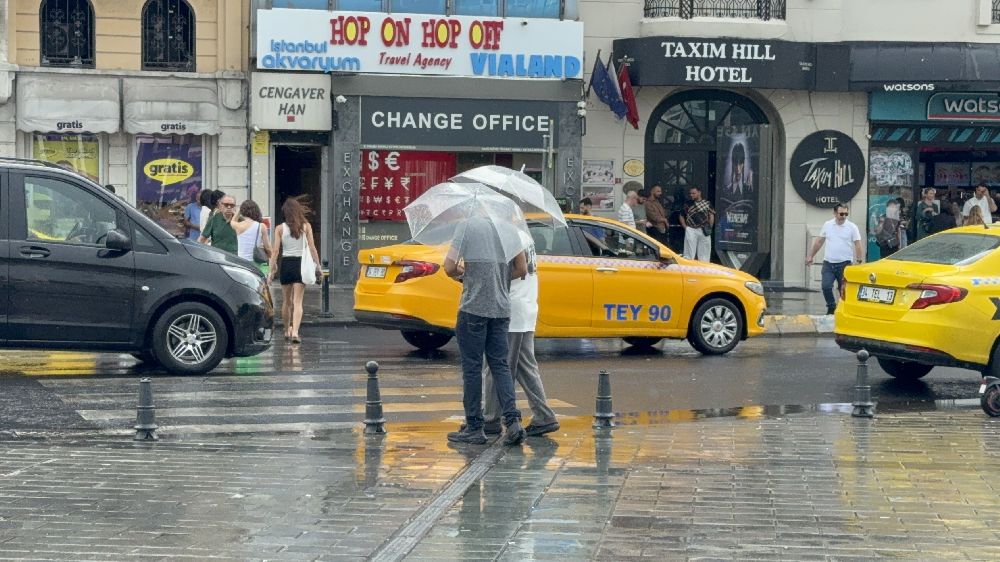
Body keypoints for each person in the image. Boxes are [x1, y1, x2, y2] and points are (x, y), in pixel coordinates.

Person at [443, 215, 528, 446]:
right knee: (499, 365)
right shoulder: (509, 229)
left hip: (473, 308)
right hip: (501, 309)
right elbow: (522, 267)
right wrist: (497, 279)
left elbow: (449, 267)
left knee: (472, 369)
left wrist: (467, 275)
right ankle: (512, 422)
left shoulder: (467, 225)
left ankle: (474, 427)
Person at [481, 230, 559, 438]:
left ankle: (490, 419)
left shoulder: (507, 236)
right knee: (525, 366)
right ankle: (544, 416)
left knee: (496, 365)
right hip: (526, 304)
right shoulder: (523, 234)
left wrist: (490, 280)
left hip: (512, 307)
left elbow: (519, 269)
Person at [267, 198, 321, 344]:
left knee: (286, 301)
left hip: (286, 264)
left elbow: (275, 251)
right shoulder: (306, 226)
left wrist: (271, 271)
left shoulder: (279, 228)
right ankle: (296, 331)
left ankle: (286, 330)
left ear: (285, 212)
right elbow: (312, 248)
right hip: (301, 265)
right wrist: (318, 266)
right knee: (298, 302)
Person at [806, 203, 863, 315]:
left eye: (846, 214)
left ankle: (844, 309)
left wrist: (859, 261)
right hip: (829, 263)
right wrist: (810, 256)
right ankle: (831, 306)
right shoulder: (828, 225)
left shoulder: (852, 227)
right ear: (835, 213)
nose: (844, 216)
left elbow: (858, 244)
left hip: (845, 263)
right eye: (841, 213)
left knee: (844, 290)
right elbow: (819, 242)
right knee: (826, 286)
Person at [230, 199, 272, 274]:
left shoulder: (239, 225)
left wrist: (239, 211)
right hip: (257, 263)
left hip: (242, 262)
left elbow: (232, 221)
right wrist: (272, 260)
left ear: (243, 211)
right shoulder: (261, 226)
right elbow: (268, 247)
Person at [679, 186, 714, 262]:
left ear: (699, 192)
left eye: (693, 193)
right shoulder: (687, 204)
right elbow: (681, 215)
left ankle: (703, 270)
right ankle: (688, 269)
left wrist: (709, 227)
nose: (691, 195)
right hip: (691, 229)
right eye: (690, 193)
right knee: (688, 254)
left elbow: (711, 215)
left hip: (704, 229)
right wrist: (685, 227)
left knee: (704, 253)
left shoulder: (707, 203)